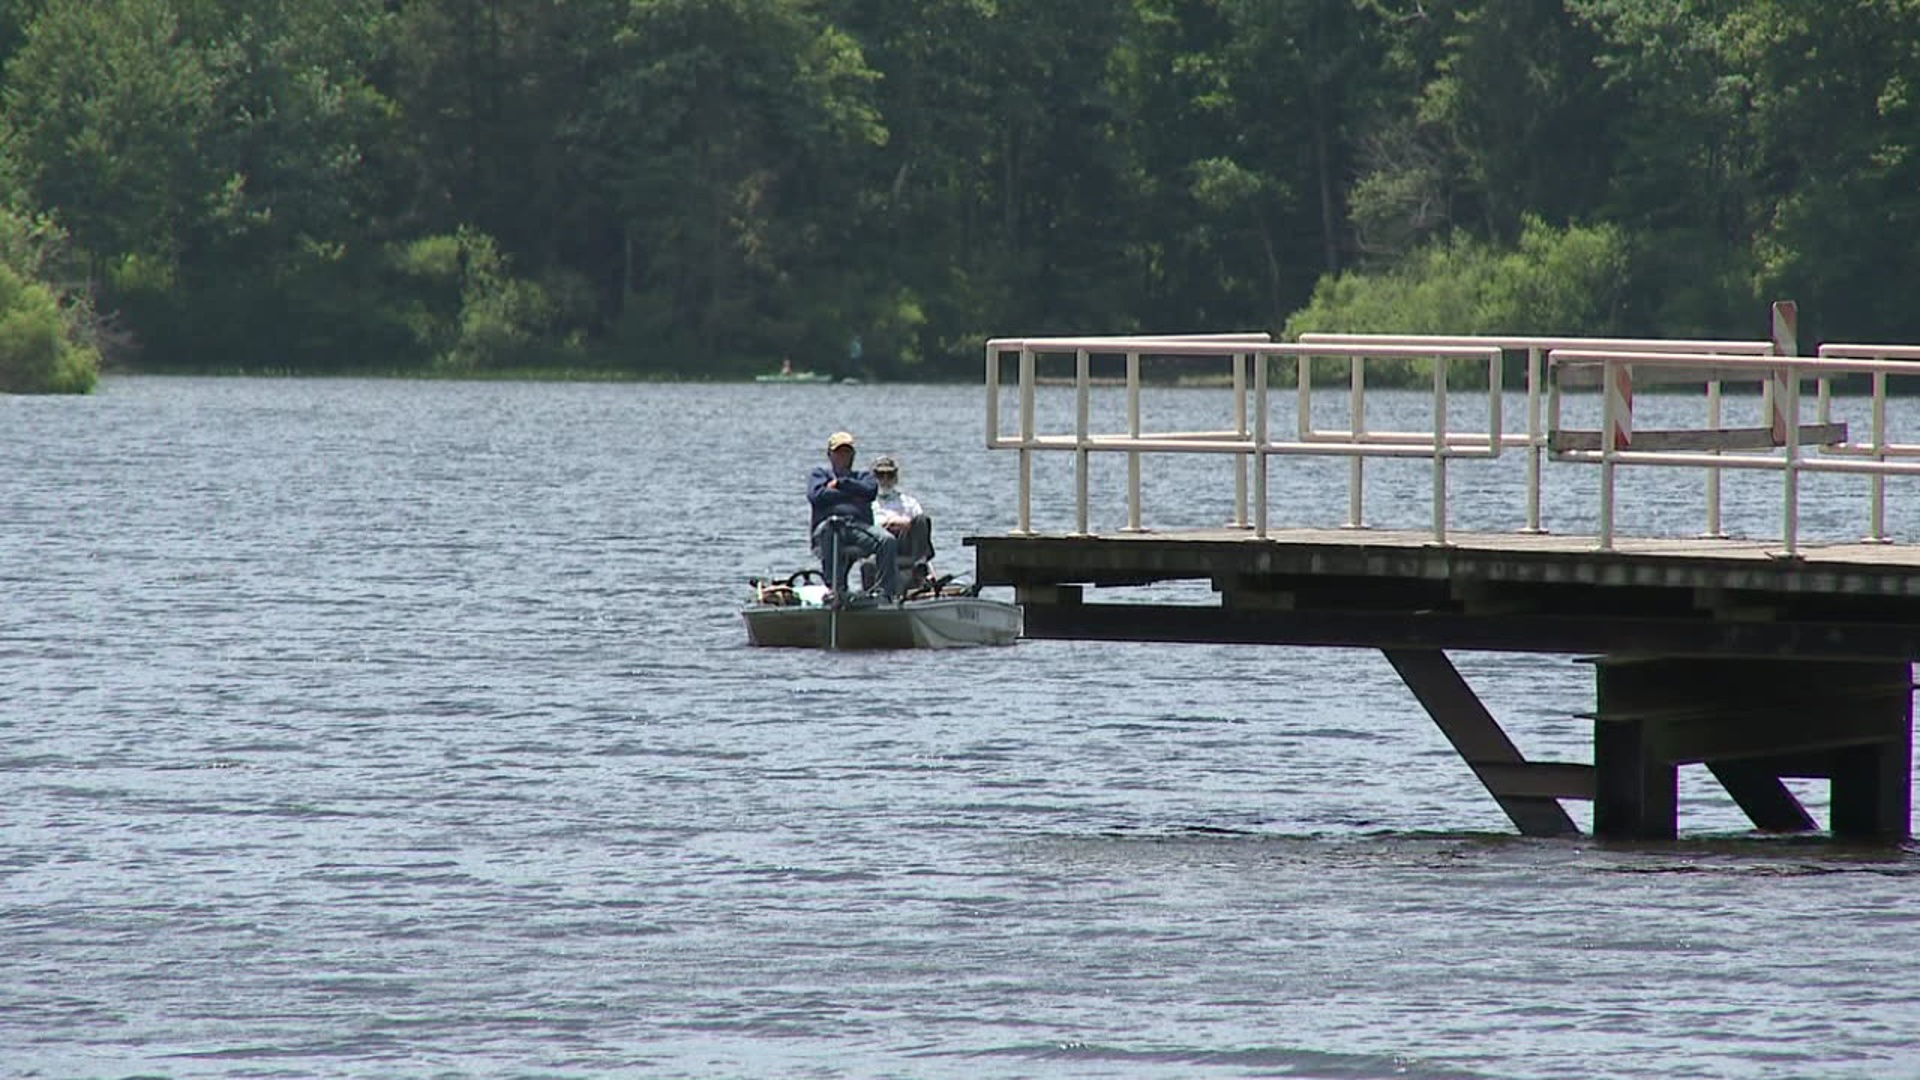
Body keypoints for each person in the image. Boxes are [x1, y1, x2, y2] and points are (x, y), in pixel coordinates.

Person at [807, 431, 901, 603]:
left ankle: (885, 594)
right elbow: (817, 496)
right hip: (828, 527)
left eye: (847, 452)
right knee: (831, 529)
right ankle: (835, 589)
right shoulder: (819, 475)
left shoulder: (864, 477)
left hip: (858, 527)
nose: (844, 456)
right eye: (839, 452)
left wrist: (841, 484)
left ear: (853, 455)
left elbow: (870, 491)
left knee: (887, 540)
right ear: (830, 454)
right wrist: (853, 495)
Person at [869, 455, 935, 589]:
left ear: (896, 477)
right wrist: (885, 526)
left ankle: (920, 568)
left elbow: (922, 532)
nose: (885, 479)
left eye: (890, 475)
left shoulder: (909, 502)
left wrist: (907, 523)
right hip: (880, 544)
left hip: (905, 541)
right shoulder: (868, 503)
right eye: (880, 475)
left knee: (923, 519)